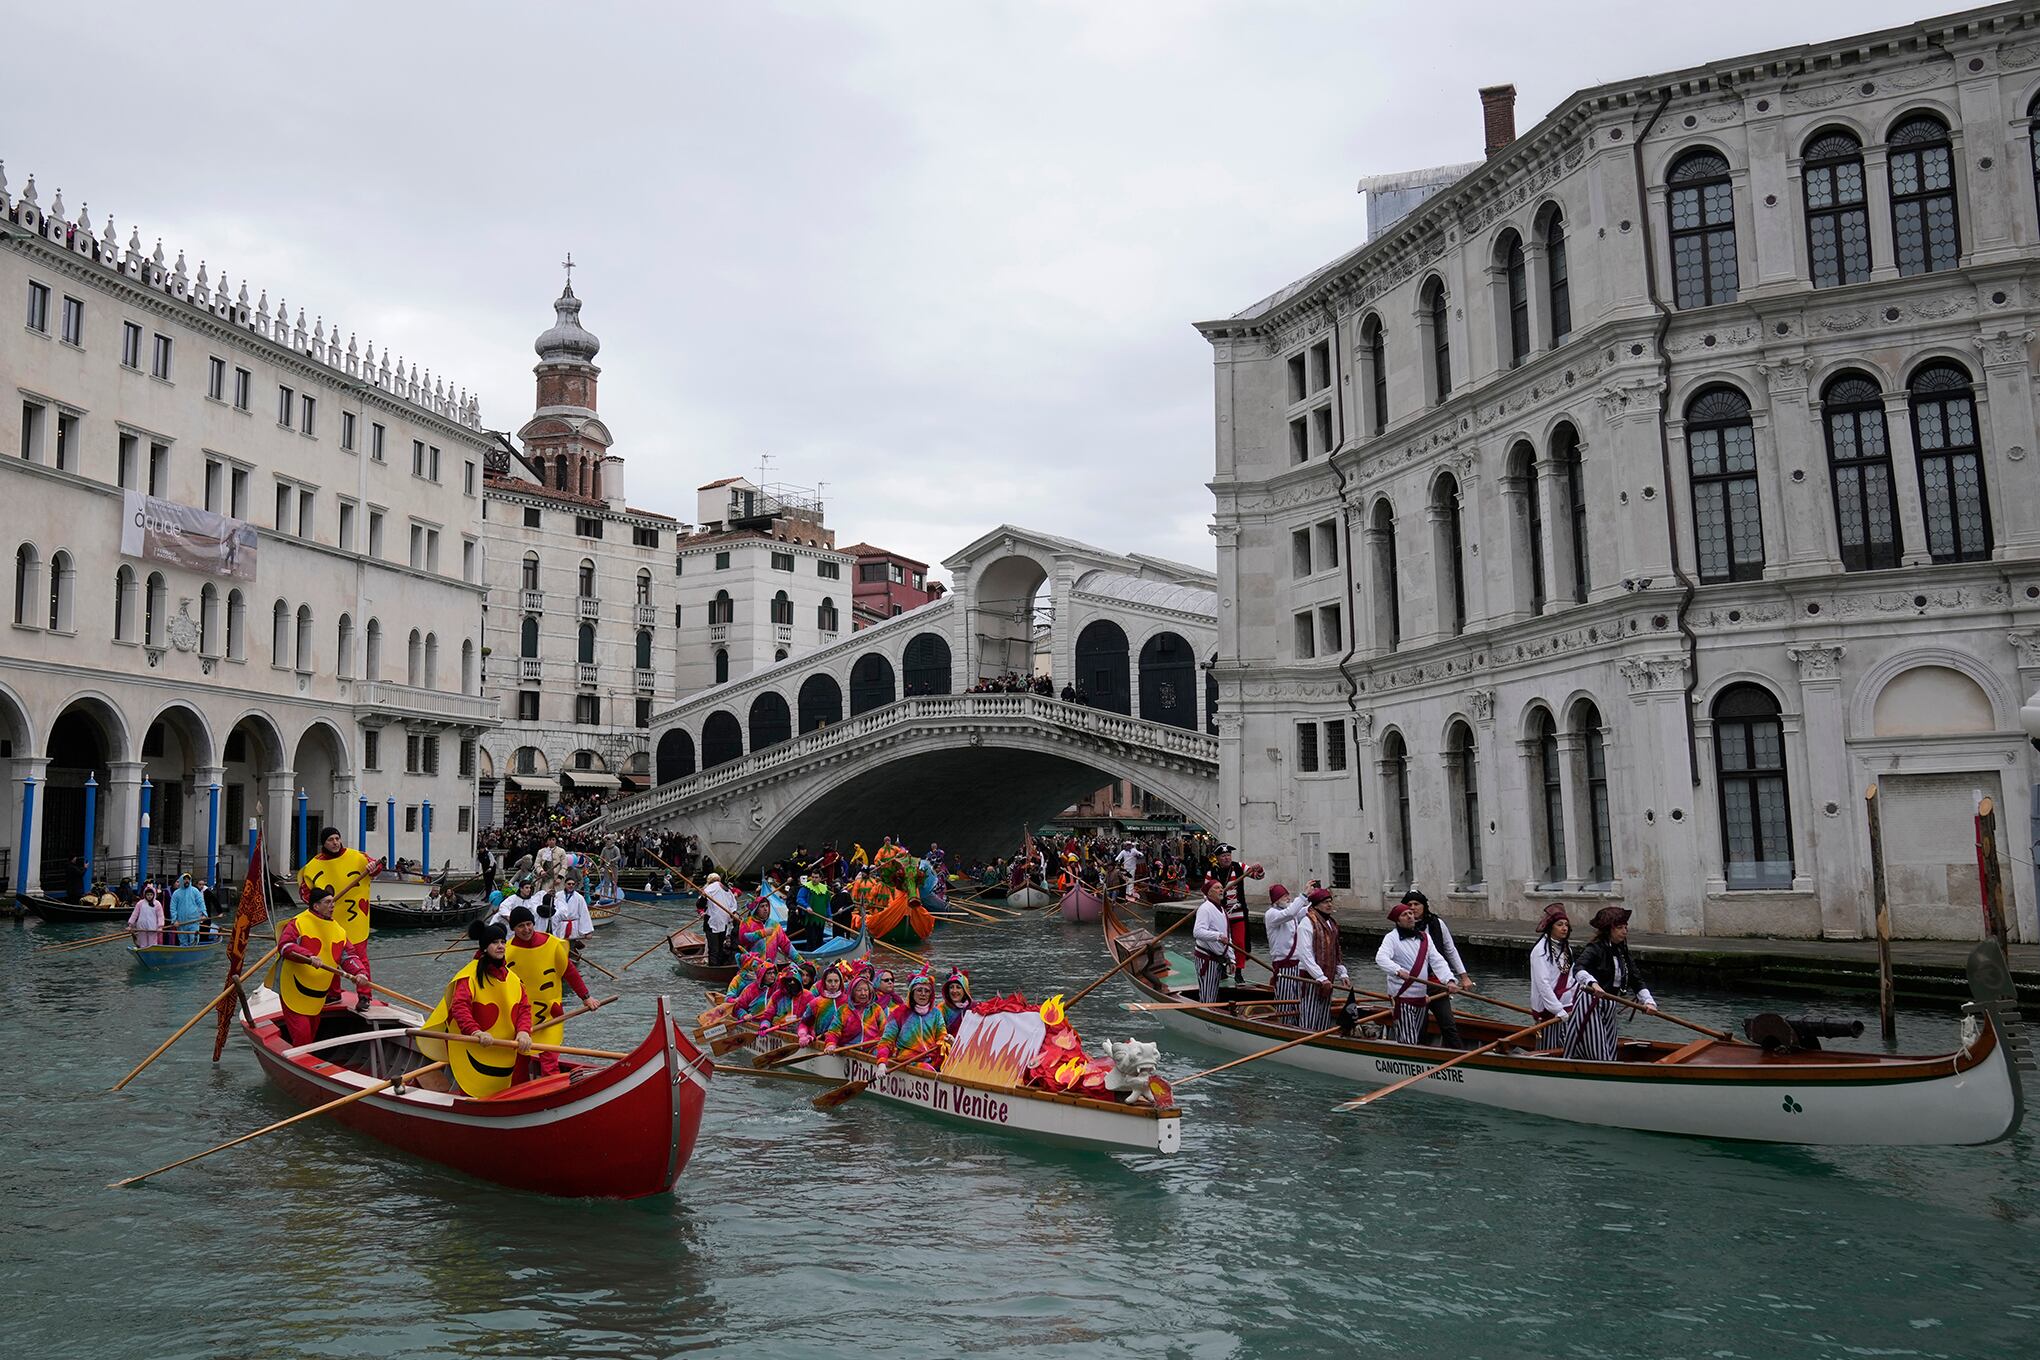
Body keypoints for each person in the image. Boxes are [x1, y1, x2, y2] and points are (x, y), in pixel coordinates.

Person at [420, 919, 535, 1097]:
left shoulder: (514, 979)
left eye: (503, 942)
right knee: (475, 1085)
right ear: (484, 947)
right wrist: (475, 1032)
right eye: (495, 943)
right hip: (476, 1045)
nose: (501, 946)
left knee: (513, 1081)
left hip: (505, 1048)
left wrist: (524, 1031)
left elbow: (524, 1009)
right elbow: (460, 1007)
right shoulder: (469, 977)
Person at [505, 904, 599, 1075]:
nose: (526, 929)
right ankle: (519, 1096)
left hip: (550, 1014)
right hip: (520, 1017)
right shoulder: (506, 952)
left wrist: (586, 997)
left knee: (549, 1061)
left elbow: (570, 972)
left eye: (529, 924)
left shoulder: (552, 944)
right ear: (513, 929)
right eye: (520, 926)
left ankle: (555, 1094)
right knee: (519, 1062)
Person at [275, 887, 372, 1047]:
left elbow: (349, 956)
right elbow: (285, 946)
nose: (333, 905)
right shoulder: (297, 923)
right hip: (292, 988)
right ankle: (300, 1063)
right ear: (316, 906)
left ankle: (306, 1059)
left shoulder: (339, 930)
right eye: (328, 902)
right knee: (302, 1034)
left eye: (333, 902)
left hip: (318, 993)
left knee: (312, 1033)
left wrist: (360, 972)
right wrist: (308, 956)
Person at [1560, 906, 1657, 1061]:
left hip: (1610, 1002)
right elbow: (1578, 968)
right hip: (1590, 1002)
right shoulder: (1595, 948)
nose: (1624, 931)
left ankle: (1606, 1065)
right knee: (1597, 1045)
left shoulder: (1622, 952)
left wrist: (1649, 1002)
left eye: (1626, 927)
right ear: (1609, 930)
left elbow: (1636, 979)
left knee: (1610, 1044)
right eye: (1620, 928)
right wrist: (1593, 983)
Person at [297, 826, 377, 990]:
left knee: (360, 958)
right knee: (330, 957)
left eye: (337, 838)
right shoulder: (312, 866)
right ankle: (333, 993)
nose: (335, 842)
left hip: (356, 919)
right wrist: (320, 903)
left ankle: (364, 995)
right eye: (330, 840)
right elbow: (306, 895)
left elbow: (376, 867)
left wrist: (373, 867)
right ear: (324, 843)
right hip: (330, 920)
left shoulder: (358, 856)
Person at [1376, 898, 1457, 1046]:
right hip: (1403, 997)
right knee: (1408, 1040)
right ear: (1398, 921)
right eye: (1404, 914)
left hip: (1421, 997)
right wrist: (1397, 970)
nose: (1410, 916)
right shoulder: (1391, 938)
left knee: (1418, 1036)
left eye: (1410, 913)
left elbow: (1438, 961)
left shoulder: (1425, 938)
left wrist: (1449, 980)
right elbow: (1381, 958)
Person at [1402, 889, 1469, 1047]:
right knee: (1419, 1026)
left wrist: (1463, 977)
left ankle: (1458, 1055)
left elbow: (1450, 950)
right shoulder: (1400, 929)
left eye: (1416, 904)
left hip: (1436, 983)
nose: (1412, 908)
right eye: (1409, 905)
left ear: (1424, 906)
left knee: (1448, 1024)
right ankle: (1419, 1056)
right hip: (1415, 986)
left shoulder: (1437, 924)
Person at [873, 972, 947, 1073]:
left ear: (931, 994)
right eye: (919, 990)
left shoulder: (936, 1013)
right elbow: (886, 1041)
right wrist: (882, 1062)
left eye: (927, 991)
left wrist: (946, 1040)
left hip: (933, 1060)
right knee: (928, 1069)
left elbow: (942, 1035)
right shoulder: (899, 1013)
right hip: (909, 1061)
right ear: (912, 993)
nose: (923, 994)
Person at [1264, 884, 1309, 1018]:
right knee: (1285, 1000)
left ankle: (1296, 1023)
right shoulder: (1271, 914)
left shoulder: (1289, 912)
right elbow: (1290, 913)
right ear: (1276, 899)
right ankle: (1284, 1023)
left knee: (1298, 998)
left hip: (1297, 963)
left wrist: (1316, 897)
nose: (1288, 898)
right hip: (1283, 965)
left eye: (1288, 895)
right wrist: (1304, 895)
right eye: (1284, 896)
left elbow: (1303, 910)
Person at [1528, 904, 1575, 1023]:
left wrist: (1573, 1002)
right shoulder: (1540, 951)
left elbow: (1570, 978)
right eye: (1559, 925)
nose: (1564, 928)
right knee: (1550, 1042)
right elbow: (1543, 983)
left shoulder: (1567, 949)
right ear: (1550, 927)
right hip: (1547, 1010)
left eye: (1566, 925)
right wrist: (1557, 1009)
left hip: (1567, 1007)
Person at [1191, 881, 1232, 1004]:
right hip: (1207, 958)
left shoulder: (1222, 910)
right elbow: (1197, 932)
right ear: (1209, 892)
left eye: (1221, 888)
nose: (1221, 890)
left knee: (1213, 992)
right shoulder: (1205, 909)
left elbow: (1227, 936)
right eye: (1217, 888)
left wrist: (1232, 958)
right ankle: (1207, 1014)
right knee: (1207, 994)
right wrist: (1217, 936)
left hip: (1219, 957)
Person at [700, 872, 740, 966]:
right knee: (714, 949)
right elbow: (700, 905)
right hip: (711, 923)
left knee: (720, 948)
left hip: (723, 924)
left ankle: (720, 965)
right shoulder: (711, 888)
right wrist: (703, 897)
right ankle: (713, 968)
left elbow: (733, 907)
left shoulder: (729, 893)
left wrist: (734, 914)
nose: (728, 890)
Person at [166, 872, 208, 944]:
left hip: (194, 921)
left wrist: (204, 914)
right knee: (183, 941)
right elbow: (173, 908)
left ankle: (193, 953)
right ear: (181, 880)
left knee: (194, 940)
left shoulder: (195, 891)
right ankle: (183, 953)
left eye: (188, 879)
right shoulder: (176, 893)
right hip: (181, 922)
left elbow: (201, 903)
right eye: (185, 879)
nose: (186, 881)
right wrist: (174, 920)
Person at [125, 883, 165, 949]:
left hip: (152, 928)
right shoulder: (140, 903)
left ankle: (152, 954)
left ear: (154, 895)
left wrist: (160, 926)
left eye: (151, 895)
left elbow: (160, 916)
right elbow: (134, 914)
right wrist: (130, 925)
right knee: (143, 943)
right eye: (148, 895)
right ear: (145, 895)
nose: (149, 896)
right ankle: (143, 951)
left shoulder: (157, 904)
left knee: (152, 944)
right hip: (141, 928)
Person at [939, 967, 973, 1036]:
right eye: (951, 987)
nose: (954, 991)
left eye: (958, 987)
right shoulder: (941, 1009)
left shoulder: (974, 1007)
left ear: (965, 991)